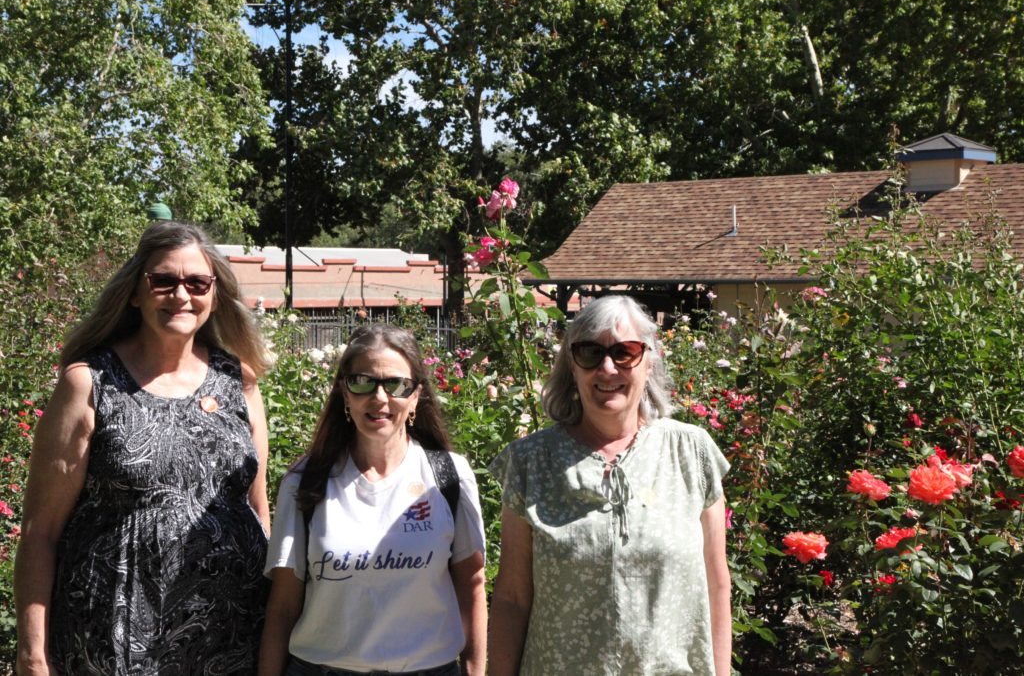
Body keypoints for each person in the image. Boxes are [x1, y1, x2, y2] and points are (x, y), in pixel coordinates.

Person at [14, 221, 273, 675]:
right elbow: (40, 532)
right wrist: (32, 655)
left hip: (232, 636)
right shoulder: (89, 383)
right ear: (135, 291)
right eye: (163, 281)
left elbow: (257, 507)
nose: (180, 295)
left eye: (197, 282)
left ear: (213, 295)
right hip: (112, 638)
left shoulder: (239, 382)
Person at [489, 295, 732, 675]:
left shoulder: (691, 452)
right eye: (590, 353)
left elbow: (717, 585)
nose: (607, 368)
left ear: (649, 361)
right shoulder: (530, 461)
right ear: (573, 365)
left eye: (625, 352)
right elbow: (512, 598)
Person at [259, 324, 487, 676]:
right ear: (344, 393)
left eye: (395, 384)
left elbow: (471, 588)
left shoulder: (449, 477)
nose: (379, 398)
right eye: (363, 382)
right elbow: (284, 607)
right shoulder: (307, 481)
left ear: (415, 396)